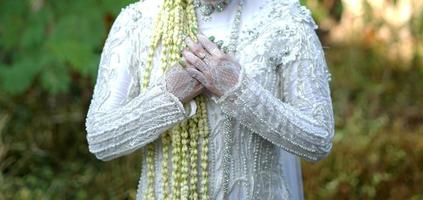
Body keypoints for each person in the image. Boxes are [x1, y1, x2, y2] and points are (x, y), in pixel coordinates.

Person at [84, 0, 335, 199]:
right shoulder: (138, 21)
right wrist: (168, 95)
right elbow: (101, 139)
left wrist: (239, 91)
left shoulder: (286, 21)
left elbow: (317, 140)